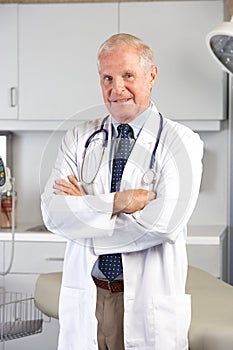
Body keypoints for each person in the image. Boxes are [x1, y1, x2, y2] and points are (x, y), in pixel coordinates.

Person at [41, 33, 203, 350]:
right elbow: (53, 214)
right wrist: (121, 202)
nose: (117, 89)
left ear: (151, 75)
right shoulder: (79, 138)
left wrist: (84, 208)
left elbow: (160, 225)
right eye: (108, 78)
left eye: (128, 75)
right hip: (90, 296)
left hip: (145, 301)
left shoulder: (180, 141)